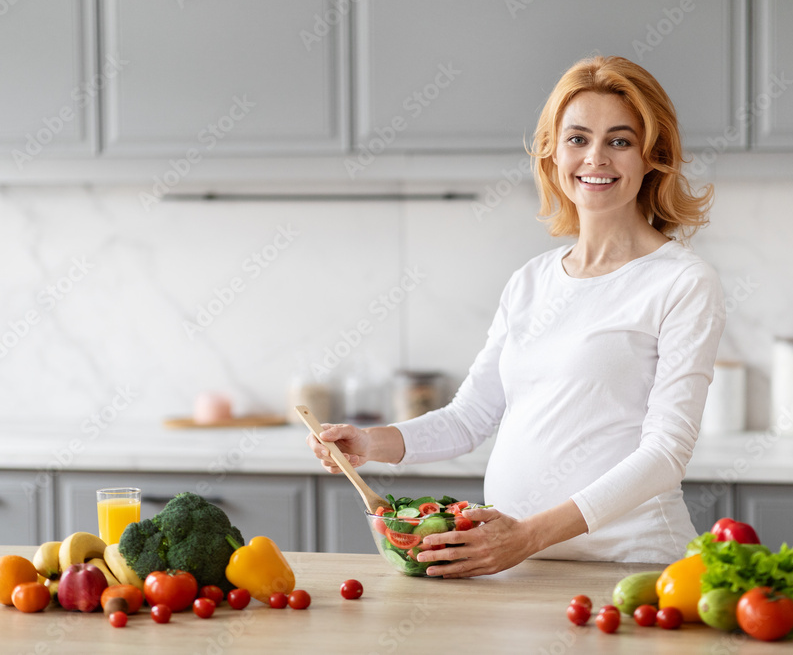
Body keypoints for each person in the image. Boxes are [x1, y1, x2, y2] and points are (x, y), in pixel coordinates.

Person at [308, 55, 726, 578]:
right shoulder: (532, 280)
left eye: (619, 141)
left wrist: (526, 535)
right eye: (578, 139)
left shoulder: (681, 281)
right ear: (552, 153)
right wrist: (370, 443)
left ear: (654, 156)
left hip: (631, 565)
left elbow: (666, 454)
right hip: (520, 566)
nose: (595, 158)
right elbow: (469, 419)